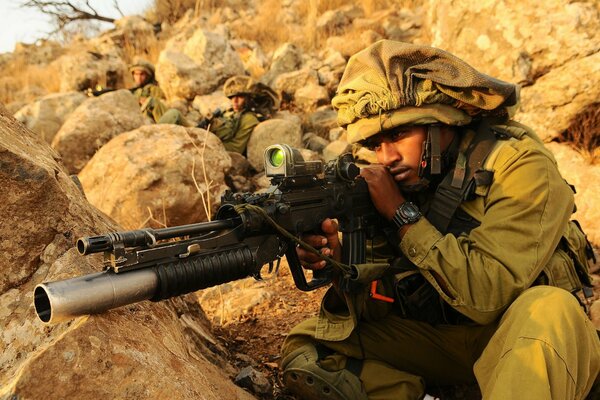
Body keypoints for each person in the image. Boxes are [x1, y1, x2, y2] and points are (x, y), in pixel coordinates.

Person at [280, 40, 600, 399]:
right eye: (374, 142)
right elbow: (381, 302)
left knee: (550, 310)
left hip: (515, 335)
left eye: (399, 135)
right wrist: (341, 266)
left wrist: (402, 215)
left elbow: (487, 295)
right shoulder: (388, 178)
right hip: (442, 340)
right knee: (311, 345)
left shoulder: (521, 166)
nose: (386, 156)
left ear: (442, 123)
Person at [201, 75, 278, 154]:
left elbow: (236, 148)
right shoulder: (227, 112)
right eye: (232, 97)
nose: (235, 101)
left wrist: (209, 145)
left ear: (248, 99)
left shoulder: (249, 119)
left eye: (240, 97)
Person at [129, 59, 188, 126]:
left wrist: (146, 101)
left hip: (154, 122)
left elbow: (160, 105)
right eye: (136, 74)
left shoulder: (154, 89)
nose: (139, 77)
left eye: (142, 74)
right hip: (138, 120)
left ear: (148, 75)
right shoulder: (131, 92)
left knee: (174, 114)